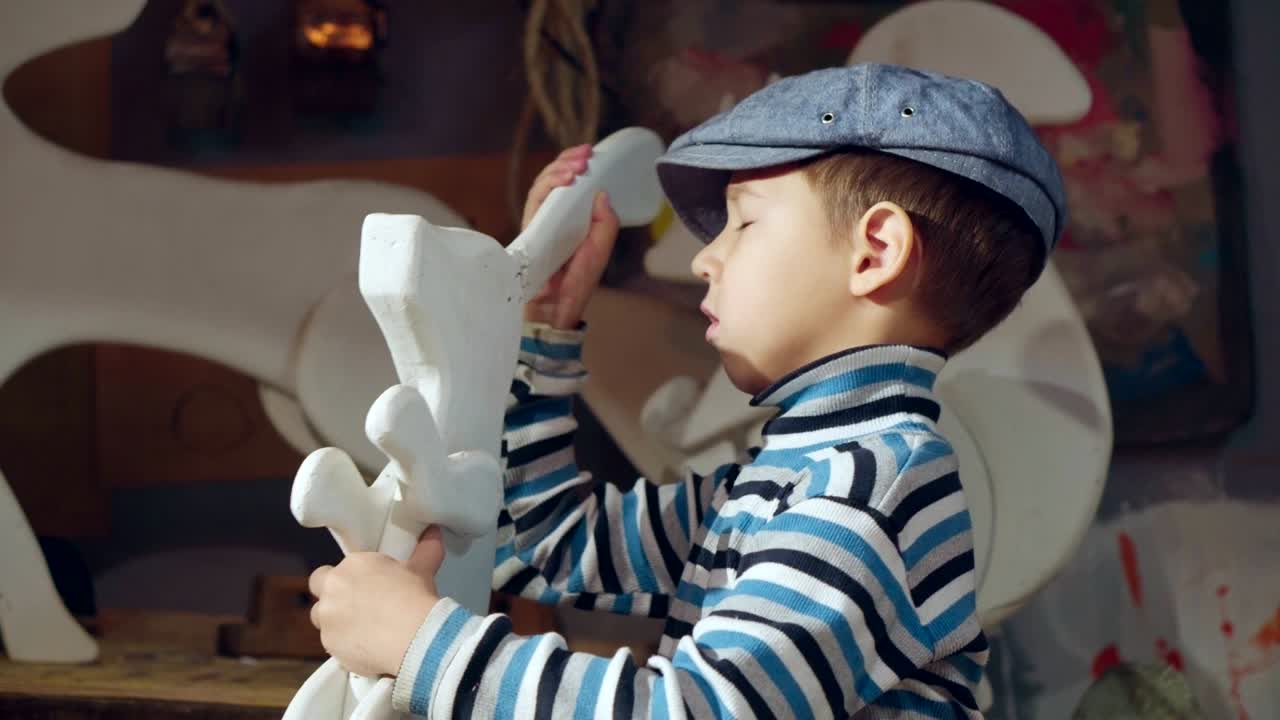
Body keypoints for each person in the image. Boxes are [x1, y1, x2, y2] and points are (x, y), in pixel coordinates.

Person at [306, 62, 1066, 718]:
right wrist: (544, 327)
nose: (707, 261)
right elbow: (548, 547)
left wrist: (423, 646)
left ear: (874, 252)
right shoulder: (784, 479)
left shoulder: (869, 488)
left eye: (743, 224)